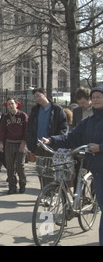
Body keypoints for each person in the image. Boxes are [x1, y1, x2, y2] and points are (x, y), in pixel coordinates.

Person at [42, 86, 103, 246]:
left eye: (99, 96)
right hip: (97, 170)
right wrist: (52, 140)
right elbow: (72, 137)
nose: (96, 99)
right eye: (94, 96)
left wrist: (100, 147)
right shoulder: (87, 122)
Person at [26, 88, 67, 189]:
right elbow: (30, 127)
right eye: (35, 97)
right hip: (38, 144)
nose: (37, 98)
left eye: (39, 95)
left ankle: (50, 194)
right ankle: (44, 191)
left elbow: (63, 127)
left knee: (49, 170)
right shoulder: (35, 110)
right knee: (40, 170)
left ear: (45, 94)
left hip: (50, 145)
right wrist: (30, 143)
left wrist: (55, 140)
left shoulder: (57, 109)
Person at [0, 98, 28, 194]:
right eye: (8, 104)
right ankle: (12, 186)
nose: (10, 106)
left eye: (12, 104)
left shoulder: (23, 116)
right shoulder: (5, 117)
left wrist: (24, 142)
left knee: (20, 166)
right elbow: (1, 130)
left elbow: (27, 130)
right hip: (9, 143)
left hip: (20, 143)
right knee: (10, 167)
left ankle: (22, 185)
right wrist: (0, 143)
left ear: (16, 104)